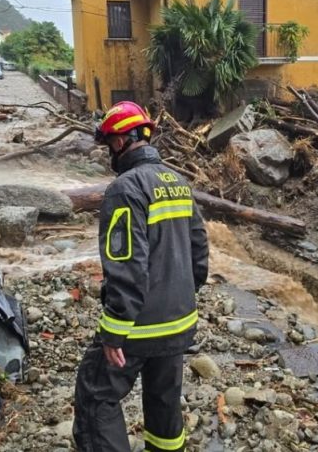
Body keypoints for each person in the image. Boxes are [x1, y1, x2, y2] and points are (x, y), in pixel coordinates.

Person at [73, 101, 209, 452]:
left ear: (120, 142)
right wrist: (179, 300)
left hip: (139, 326)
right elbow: (199, 253)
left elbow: (127, 265)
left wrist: (114, 332)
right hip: (178, 322)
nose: (109, 153)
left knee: (96, 395)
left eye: (108, 145)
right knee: (164, 402)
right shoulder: (178, 182)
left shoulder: (125, 189)